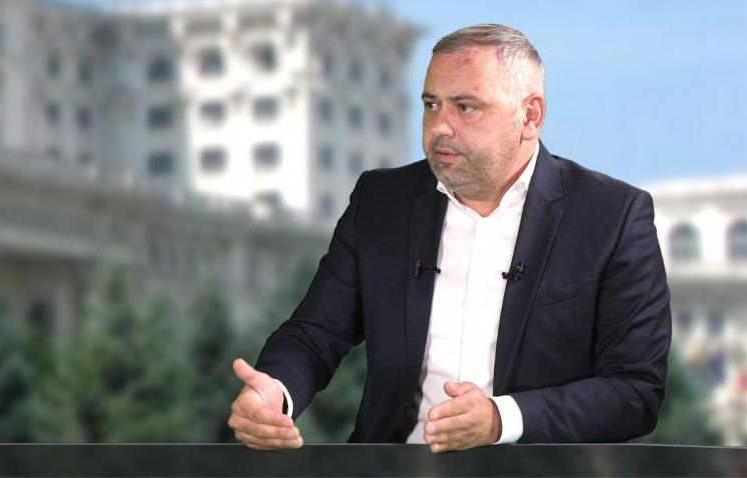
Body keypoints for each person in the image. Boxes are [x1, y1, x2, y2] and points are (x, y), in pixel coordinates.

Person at [228, 23, 671, 453]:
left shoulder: (613, 216)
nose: (439, 126)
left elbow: (635, 392)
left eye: (465, 107)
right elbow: (315, 332)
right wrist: (275, 392)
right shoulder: (380, 201)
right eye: (430, 104)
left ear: (530, 116)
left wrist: (500, 419)